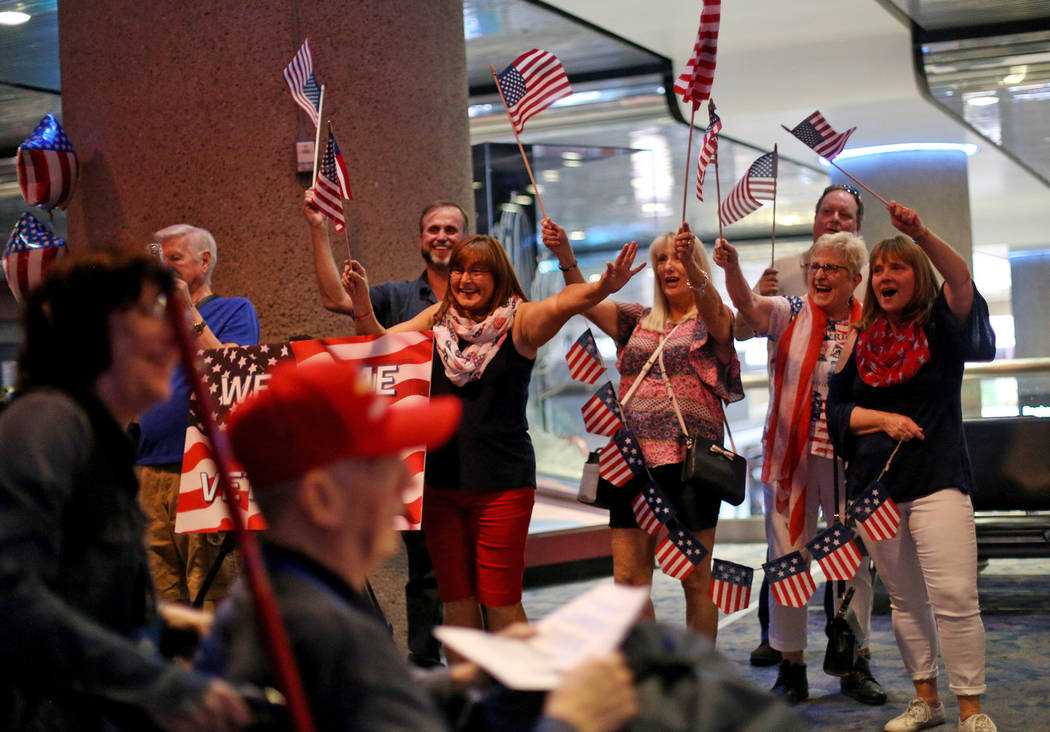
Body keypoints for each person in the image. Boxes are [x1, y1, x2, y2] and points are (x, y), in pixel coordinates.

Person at [199, 357, 639, 732]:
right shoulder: (326, 630)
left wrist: (473, 678)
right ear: (322, 498)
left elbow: (369, 695)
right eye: (383, 463)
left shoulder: (278, 598)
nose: (406, 480)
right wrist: (572, 717)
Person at [343, 233, 644, 640]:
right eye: (458, 270)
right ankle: (471, 695)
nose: (465, 279)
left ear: (498, 276)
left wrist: (602, 289)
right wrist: (362, 304)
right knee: (456, 600)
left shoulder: (520, 321)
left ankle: (515, 697)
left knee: (500, 599)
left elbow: (562, 304)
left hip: (503, 486)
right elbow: (381, 345)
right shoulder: (437, 320)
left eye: (477, 270)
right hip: (440, 486)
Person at [0, 252, 251, 731]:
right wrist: (165, 685)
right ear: (95, 333)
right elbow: (12, 599)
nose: (168, 336)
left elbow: (87, 601)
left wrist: (184, 629)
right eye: (148, 314)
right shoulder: (47, 423)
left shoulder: (102, 439)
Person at [827, 202, 997, 732]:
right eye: (878, 270)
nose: (883, 276)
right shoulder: (862, 341)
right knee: (904, 600)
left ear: (917, 275)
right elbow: (837, 411)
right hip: (877, 490)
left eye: (896, 267)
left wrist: (920, 232)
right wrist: (883, 418)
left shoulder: (941, 329)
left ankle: (970, 707)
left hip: (938, 480)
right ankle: (927, 700)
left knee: (953, 597)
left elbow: (961, 278)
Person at [541, 218, 742, 641]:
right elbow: (585, 301)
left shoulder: (713, 321)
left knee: (695, 579)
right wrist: (564, 257)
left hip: (691, 466)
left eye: (678, 258)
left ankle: (697, 678)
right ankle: (647, 675)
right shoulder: (637, 321)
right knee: (628, 581)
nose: (669, 265)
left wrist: (698, 269)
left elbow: (717, 311)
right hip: (631, 464)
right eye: (661, 260)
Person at [714, 227, 884, 705]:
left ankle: (855, 662)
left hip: (849, 461)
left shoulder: (869, 323)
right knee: (787, 562)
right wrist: (730, 269)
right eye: (815, 267)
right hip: (791, 459)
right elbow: (748, 307)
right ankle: (792, 667)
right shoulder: (790, 312)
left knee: (850, 564)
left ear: (854, 278)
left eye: (832, 268)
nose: (820, 275)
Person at [302, 190, 469, 666]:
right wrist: (319, 229)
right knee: (425, 568)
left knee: (476, 566)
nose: (441, 237)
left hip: (472, 447)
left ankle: (480, 661)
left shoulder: (485, 296)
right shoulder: (398, 297)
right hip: (416, 453)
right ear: (420, 239)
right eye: (433, 229)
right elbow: (335, 297)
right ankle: (424, 664)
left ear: (466, 237)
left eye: (450, 229)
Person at [136, 224, 260, 607]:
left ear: (204, 262)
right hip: (146, 469)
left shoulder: (234, 309)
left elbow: (235, 374)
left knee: (211, 594)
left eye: (173, 259)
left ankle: (214, 668)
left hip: (201, 471)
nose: (163, 267)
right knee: (160, 598)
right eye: (158, 260)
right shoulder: (147, 323)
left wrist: (188, 311)